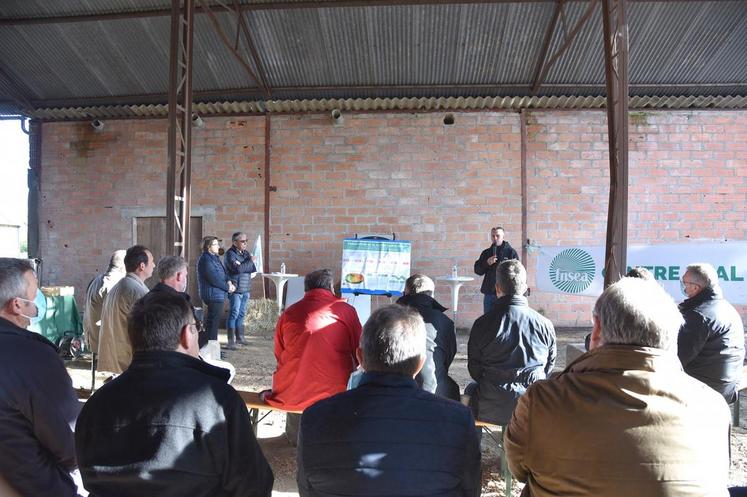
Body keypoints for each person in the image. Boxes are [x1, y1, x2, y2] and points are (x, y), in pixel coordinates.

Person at [505, 277, 731, 497]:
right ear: (672, 335)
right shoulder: (713, 407)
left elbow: (518, 469)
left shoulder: (543, 401)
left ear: (597, 330)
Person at [75, 291, 274, 497]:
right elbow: (254, 485)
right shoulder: (219, 401)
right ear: (187, 334)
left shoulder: (96, 404)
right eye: (198, 328)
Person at [297, 304, 481, 497]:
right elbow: (470, 490)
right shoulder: (458, 420)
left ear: (360, 357)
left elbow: (307, 490)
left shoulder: (315, 417)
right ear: (420, 363)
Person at [0, 258, 85, 497]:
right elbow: (68, 443)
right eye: (35, 293)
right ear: (16, 305)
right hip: (30, 485)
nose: (39, 301)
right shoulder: (32, 355)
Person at [263, 269, 362, 438]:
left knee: (295, 378)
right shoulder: (346, 311)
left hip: (292, 392)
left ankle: (294, 437)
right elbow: (359, 352)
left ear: (306, 289)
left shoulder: (289, 313)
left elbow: (279, 353)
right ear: (330, 287)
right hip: (335, 391)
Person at [466, 259, 555, 425]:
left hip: (492, 405)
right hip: (533, 405)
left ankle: (473, 449)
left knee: (471, 389)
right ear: (525, 288)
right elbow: (548, 367)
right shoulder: (545, 324)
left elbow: (474, 369)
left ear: (497, 288)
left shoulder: (482, 324)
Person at [150, 255, 236, 381]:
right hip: (177, 361)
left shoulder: (146, 299)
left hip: (154, 361)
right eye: (185, 276)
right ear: (179, 276)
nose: (185, 279)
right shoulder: (180, 303)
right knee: (227, 371)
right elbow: (188, 341)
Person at [678, 262, 745, 403]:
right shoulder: (727, 308)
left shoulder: (699, 316)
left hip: (706, 389)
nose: (683, 287)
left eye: (685, 283)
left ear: (695, 288)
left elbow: (677, 359)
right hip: (727, 387)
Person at [396, 273, 459, 400]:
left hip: (396, 392)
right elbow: (449, 356)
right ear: (432, 295)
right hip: (437, 390)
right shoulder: (445, 321)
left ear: (405, 293)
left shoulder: (389, 317)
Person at [97, 244, 155, 374]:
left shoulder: (120, 286)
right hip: (129, 360)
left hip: (116, 356)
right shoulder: (137, 291)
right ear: (142, 266)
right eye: (152, 262)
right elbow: (149, 328)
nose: (154, 265)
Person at [82, 249, 126, 356]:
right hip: (104, 341)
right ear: (124, 267)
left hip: (92, 337)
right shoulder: (113, 284)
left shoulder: (96, 280)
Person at [197, 236, 236, 349]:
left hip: (217, 294)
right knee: (213, 324)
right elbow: (213, 279)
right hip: (212, 294)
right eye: (215, 244)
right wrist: (227, 288)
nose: (218, 246)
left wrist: (229, 281)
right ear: (209, 247)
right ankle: (210, 349)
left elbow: (223, 273)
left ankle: (212, 348)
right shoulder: (205, 259)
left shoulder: (214, 258)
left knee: (214, 323)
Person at [474, 226, 519, 313]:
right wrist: (487, 263)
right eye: (493, 236)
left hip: (505, 294)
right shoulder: (486, 253)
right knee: (488, 321)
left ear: (503, 236)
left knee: (503, 320)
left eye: (497, 235)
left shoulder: (511, 252)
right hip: (489, 293)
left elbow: (517, 272)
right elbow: (477, 271)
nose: (495, 238)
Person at [225, 231, 256, 346]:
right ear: (234, 242)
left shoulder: (246, 253)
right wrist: (248, 263)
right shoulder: (230, 254)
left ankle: (240, 337)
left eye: (246, 241)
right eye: (242, 241)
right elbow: (237, 270)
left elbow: (252, 269)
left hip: (246, 288)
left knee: (242, 313)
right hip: (236, 289)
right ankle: (230, 340)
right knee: (234, 313)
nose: (245, 243)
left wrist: (243, 265)